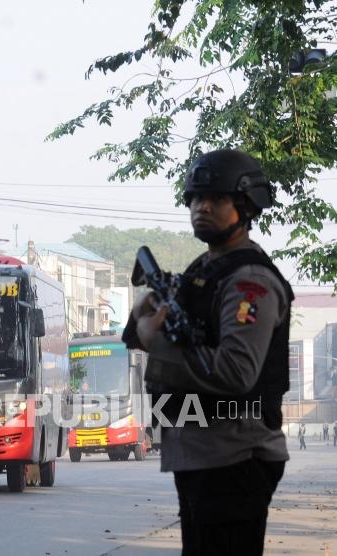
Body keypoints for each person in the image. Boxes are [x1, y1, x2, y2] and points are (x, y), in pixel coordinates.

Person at [128, 149, 292, 555]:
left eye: (215, 199)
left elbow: (237, 372)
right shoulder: (204, 270)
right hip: (202, 452)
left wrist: (156, 342)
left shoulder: (249, 282)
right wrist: (140, 320)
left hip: (235, 454)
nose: (201, 207)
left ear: (244, 205)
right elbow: (150, 334)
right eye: (195, 199)